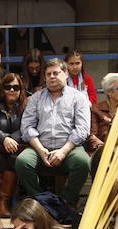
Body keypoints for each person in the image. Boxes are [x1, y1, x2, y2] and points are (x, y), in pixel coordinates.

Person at [17, 58, 91, 205]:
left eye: (56, 73)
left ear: (65, 74)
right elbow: (26, 126)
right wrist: (40, 149)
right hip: (40, 148)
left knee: (83, 162)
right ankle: (41, 200)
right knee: (22, 162)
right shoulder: (36, 98)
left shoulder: (78, 98)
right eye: (48, 74)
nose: (51, 77)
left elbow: (82, 129)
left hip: (70, 148)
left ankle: (65, 201)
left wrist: (63, 151)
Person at [0, 72, 26, 216]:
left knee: (13, 159)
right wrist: (5, 139)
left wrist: (11, 141)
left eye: (16, 87)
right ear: (2, 89)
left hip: (14, 149)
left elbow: (25, 127)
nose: (12, 90)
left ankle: (3, 201)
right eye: (8, 87)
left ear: (21, 90)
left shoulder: (24, 106)